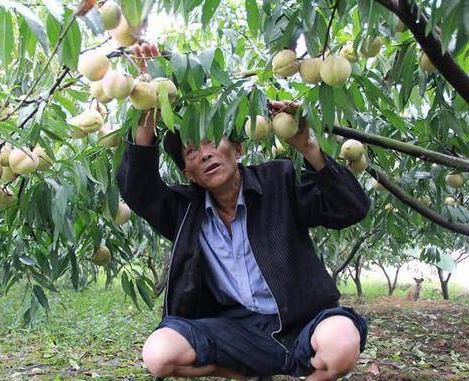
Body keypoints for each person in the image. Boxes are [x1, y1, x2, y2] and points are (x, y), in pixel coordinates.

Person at [116, 43, 371, 381]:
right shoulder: (185, 212)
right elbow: (139, 190)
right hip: (238, 330)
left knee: (340, 345)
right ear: (187, 173)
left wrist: (309, 148)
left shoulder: (278, 180)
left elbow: (351, 208)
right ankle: (244, 372)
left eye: (211, 142)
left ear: (237, 149)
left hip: (303, 322)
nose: (205, 154)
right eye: (192, 151)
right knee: (159, 355)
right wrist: (148, 97)